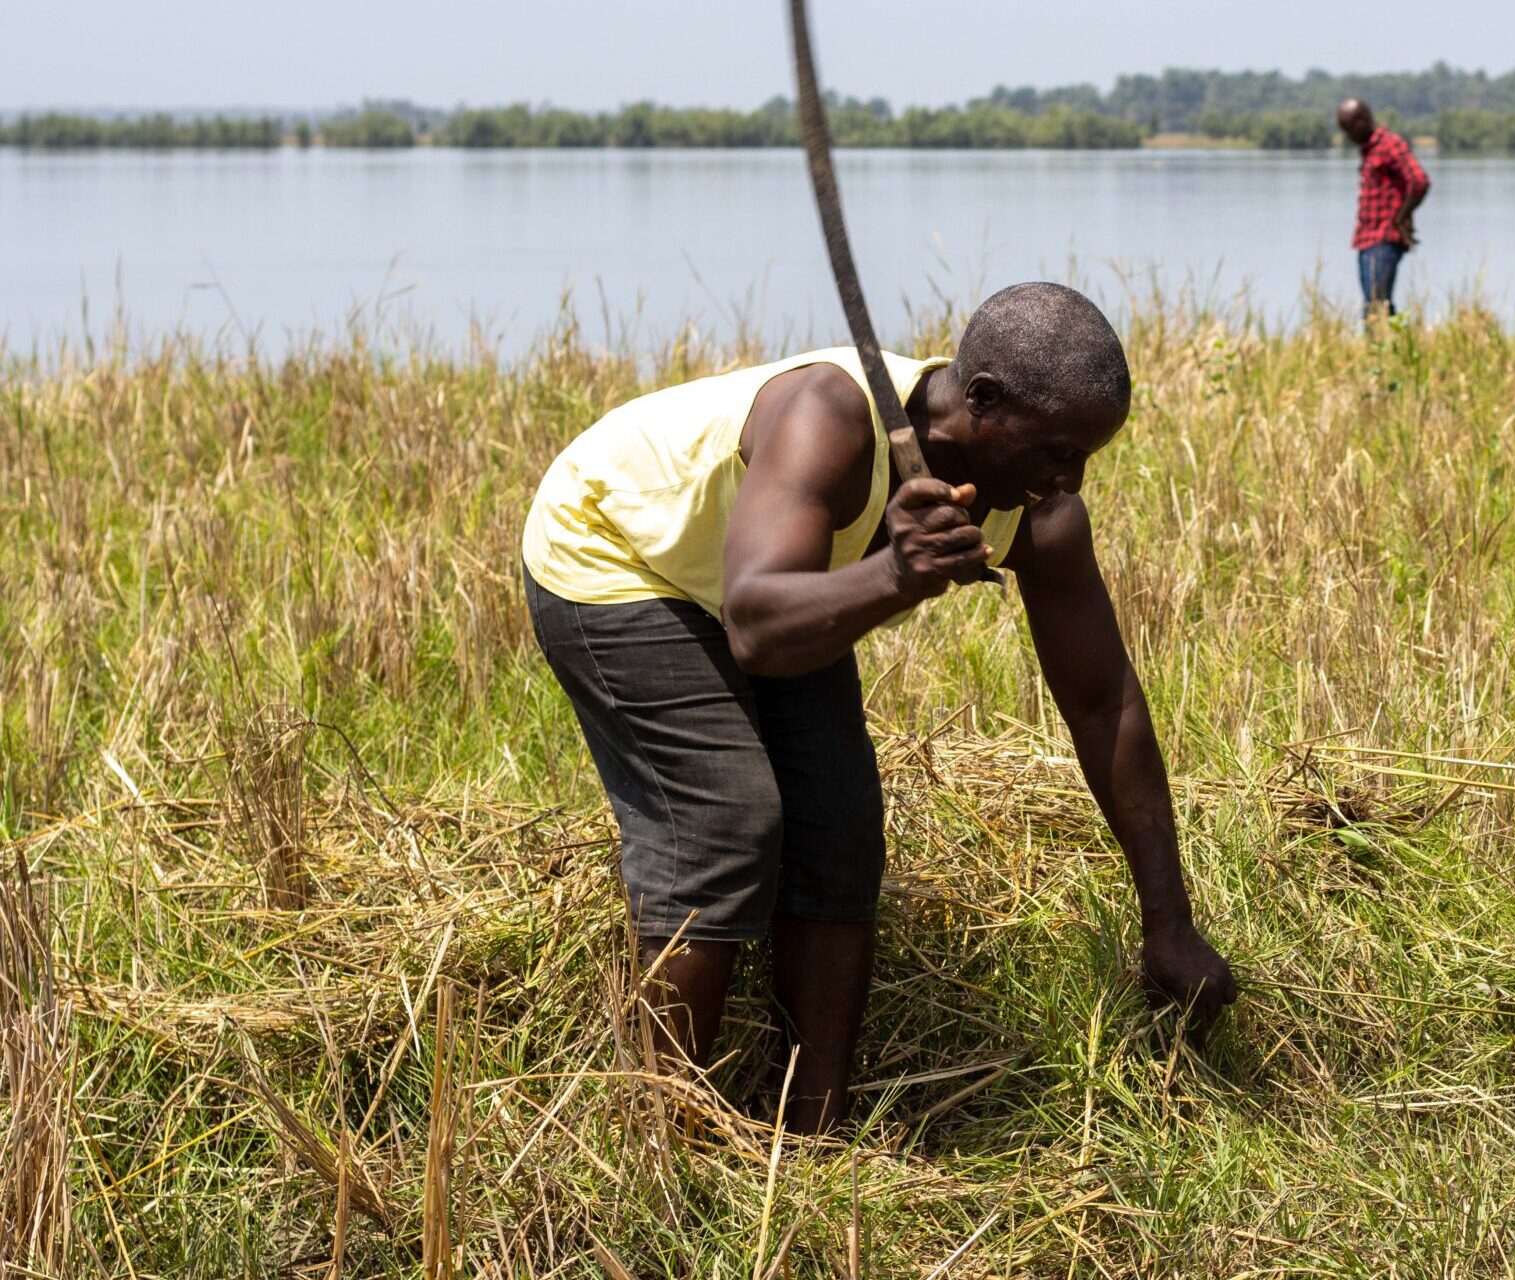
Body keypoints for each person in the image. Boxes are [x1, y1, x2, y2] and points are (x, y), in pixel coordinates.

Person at [519, 282, 1236, 1134]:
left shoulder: (1040, 515)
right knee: (727, 820)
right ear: (981, 401)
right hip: (618, 554)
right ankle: (655, 1135)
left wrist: (1170, 923)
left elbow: (1102, 701)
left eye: (1086, 457)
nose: (1068, 479)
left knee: (839, 825)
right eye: (1054, 449)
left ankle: (808, 1131)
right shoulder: (831, 413)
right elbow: (755, 626)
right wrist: (895, 574)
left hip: (780, 587)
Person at [1335, 98, 1431, 319]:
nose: (1348, 137)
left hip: (1383, 238)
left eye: (1349, 129)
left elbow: (1419, 181)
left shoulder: (1389, 144)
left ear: (1362, 121)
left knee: (1376, 306)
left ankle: (1382, 349)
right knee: (1376, 305)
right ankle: (1383, 348)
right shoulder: (1370, 149)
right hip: (1367, 239)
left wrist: (1402, 217)